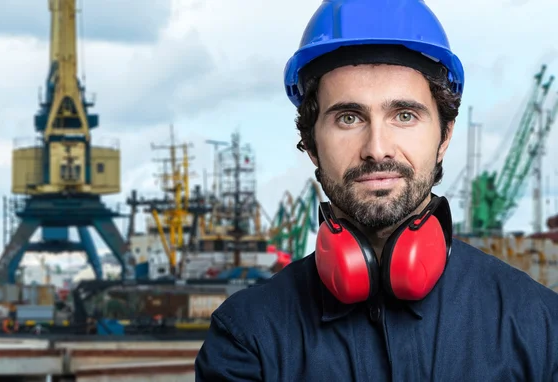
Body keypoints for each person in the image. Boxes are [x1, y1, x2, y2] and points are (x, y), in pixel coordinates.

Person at [195, 0, 558, 380]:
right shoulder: (247, 336)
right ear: (312, 144)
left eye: (404, 115)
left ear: (445, 136)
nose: (377, 148)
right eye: (349, 118)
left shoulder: (541, 328)